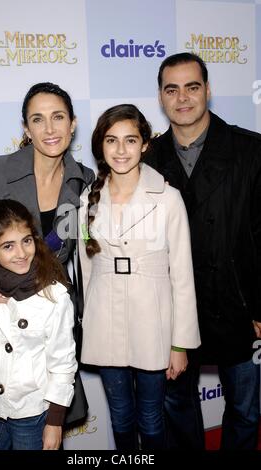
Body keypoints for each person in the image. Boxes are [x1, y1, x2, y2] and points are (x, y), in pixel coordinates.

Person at [145, 52, 261, 450]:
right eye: (171, 89)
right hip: (172, 313)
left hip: (240, 306)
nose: (182, 98)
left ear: (208, 91)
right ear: (161, 98)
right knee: (176, 408)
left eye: (192, 87)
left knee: (246, 410)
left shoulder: (252, 151)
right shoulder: (145, 160)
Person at [0, 82, 94, 424]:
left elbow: (72, 253)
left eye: (58, 117)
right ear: (26, 128)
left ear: (73, 123)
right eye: (38, 119)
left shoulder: (82, 181)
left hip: (44, 336)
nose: (49, 129)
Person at [75, 104, 201, 450]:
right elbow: (87, 269)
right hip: (106, 321)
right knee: (120, 416)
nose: (120, 150)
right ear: (100, 145)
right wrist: (90, 321)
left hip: (153, 323)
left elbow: (183, 276)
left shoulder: (168, 197)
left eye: (130, 140)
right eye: (111, 140)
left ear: (145, 144)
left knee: (151, 417)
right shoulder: (88, 199)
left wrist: (180, 344)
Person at [0, 199, 77, 450]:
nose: (22, 253)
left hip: (30, 411)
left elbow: (63, 363)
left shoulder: (53, 296)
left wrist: (55, 421)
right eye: (8, 246)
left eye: (26, 241)